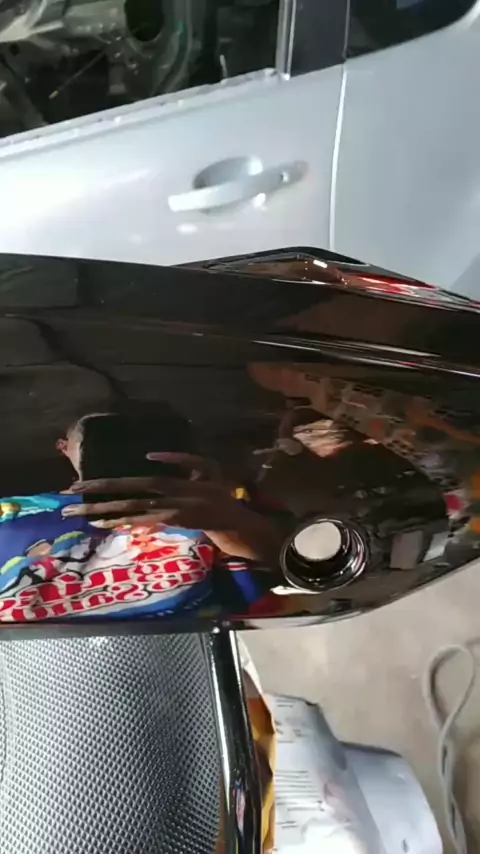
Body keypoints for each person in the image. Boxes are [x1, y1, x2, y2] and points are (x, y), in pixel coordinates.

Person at [0, 408, 284, 622]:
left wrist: (230, 522)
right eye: (106, 437)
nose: (122, 446)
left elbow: (285, 567)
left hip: (209, 655)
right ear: (65, 449)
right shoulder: (9, 514)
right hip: (32, 669)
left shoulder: (214, 501)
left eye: (137, 436)